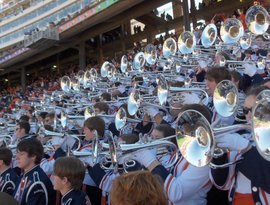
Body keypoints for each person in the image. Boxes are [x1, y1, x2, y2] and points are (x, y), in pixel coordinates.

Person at [133, 104, 213, 205]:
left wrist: (149, 160)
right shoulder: (182, 151)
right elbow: (164, 179)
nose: (175, 125)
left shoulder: (204, 157)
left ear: (196, 125)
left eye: (180, 122)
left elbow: (175, 193)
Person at [211, 85, 270, 204]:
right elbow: (222, 183)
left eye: (254, 109)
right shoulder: (243, 137)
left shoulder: (242, 142)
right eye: (245, 110)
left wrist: (247, 149)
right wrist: (218, 152)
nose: (248, 115)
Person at [13, 138, 55, 205]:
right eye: (17, 153)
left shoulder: (37, 183)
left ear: (33, 156)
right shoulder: (24, 175)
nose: (17, 157)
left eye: (21, 154)